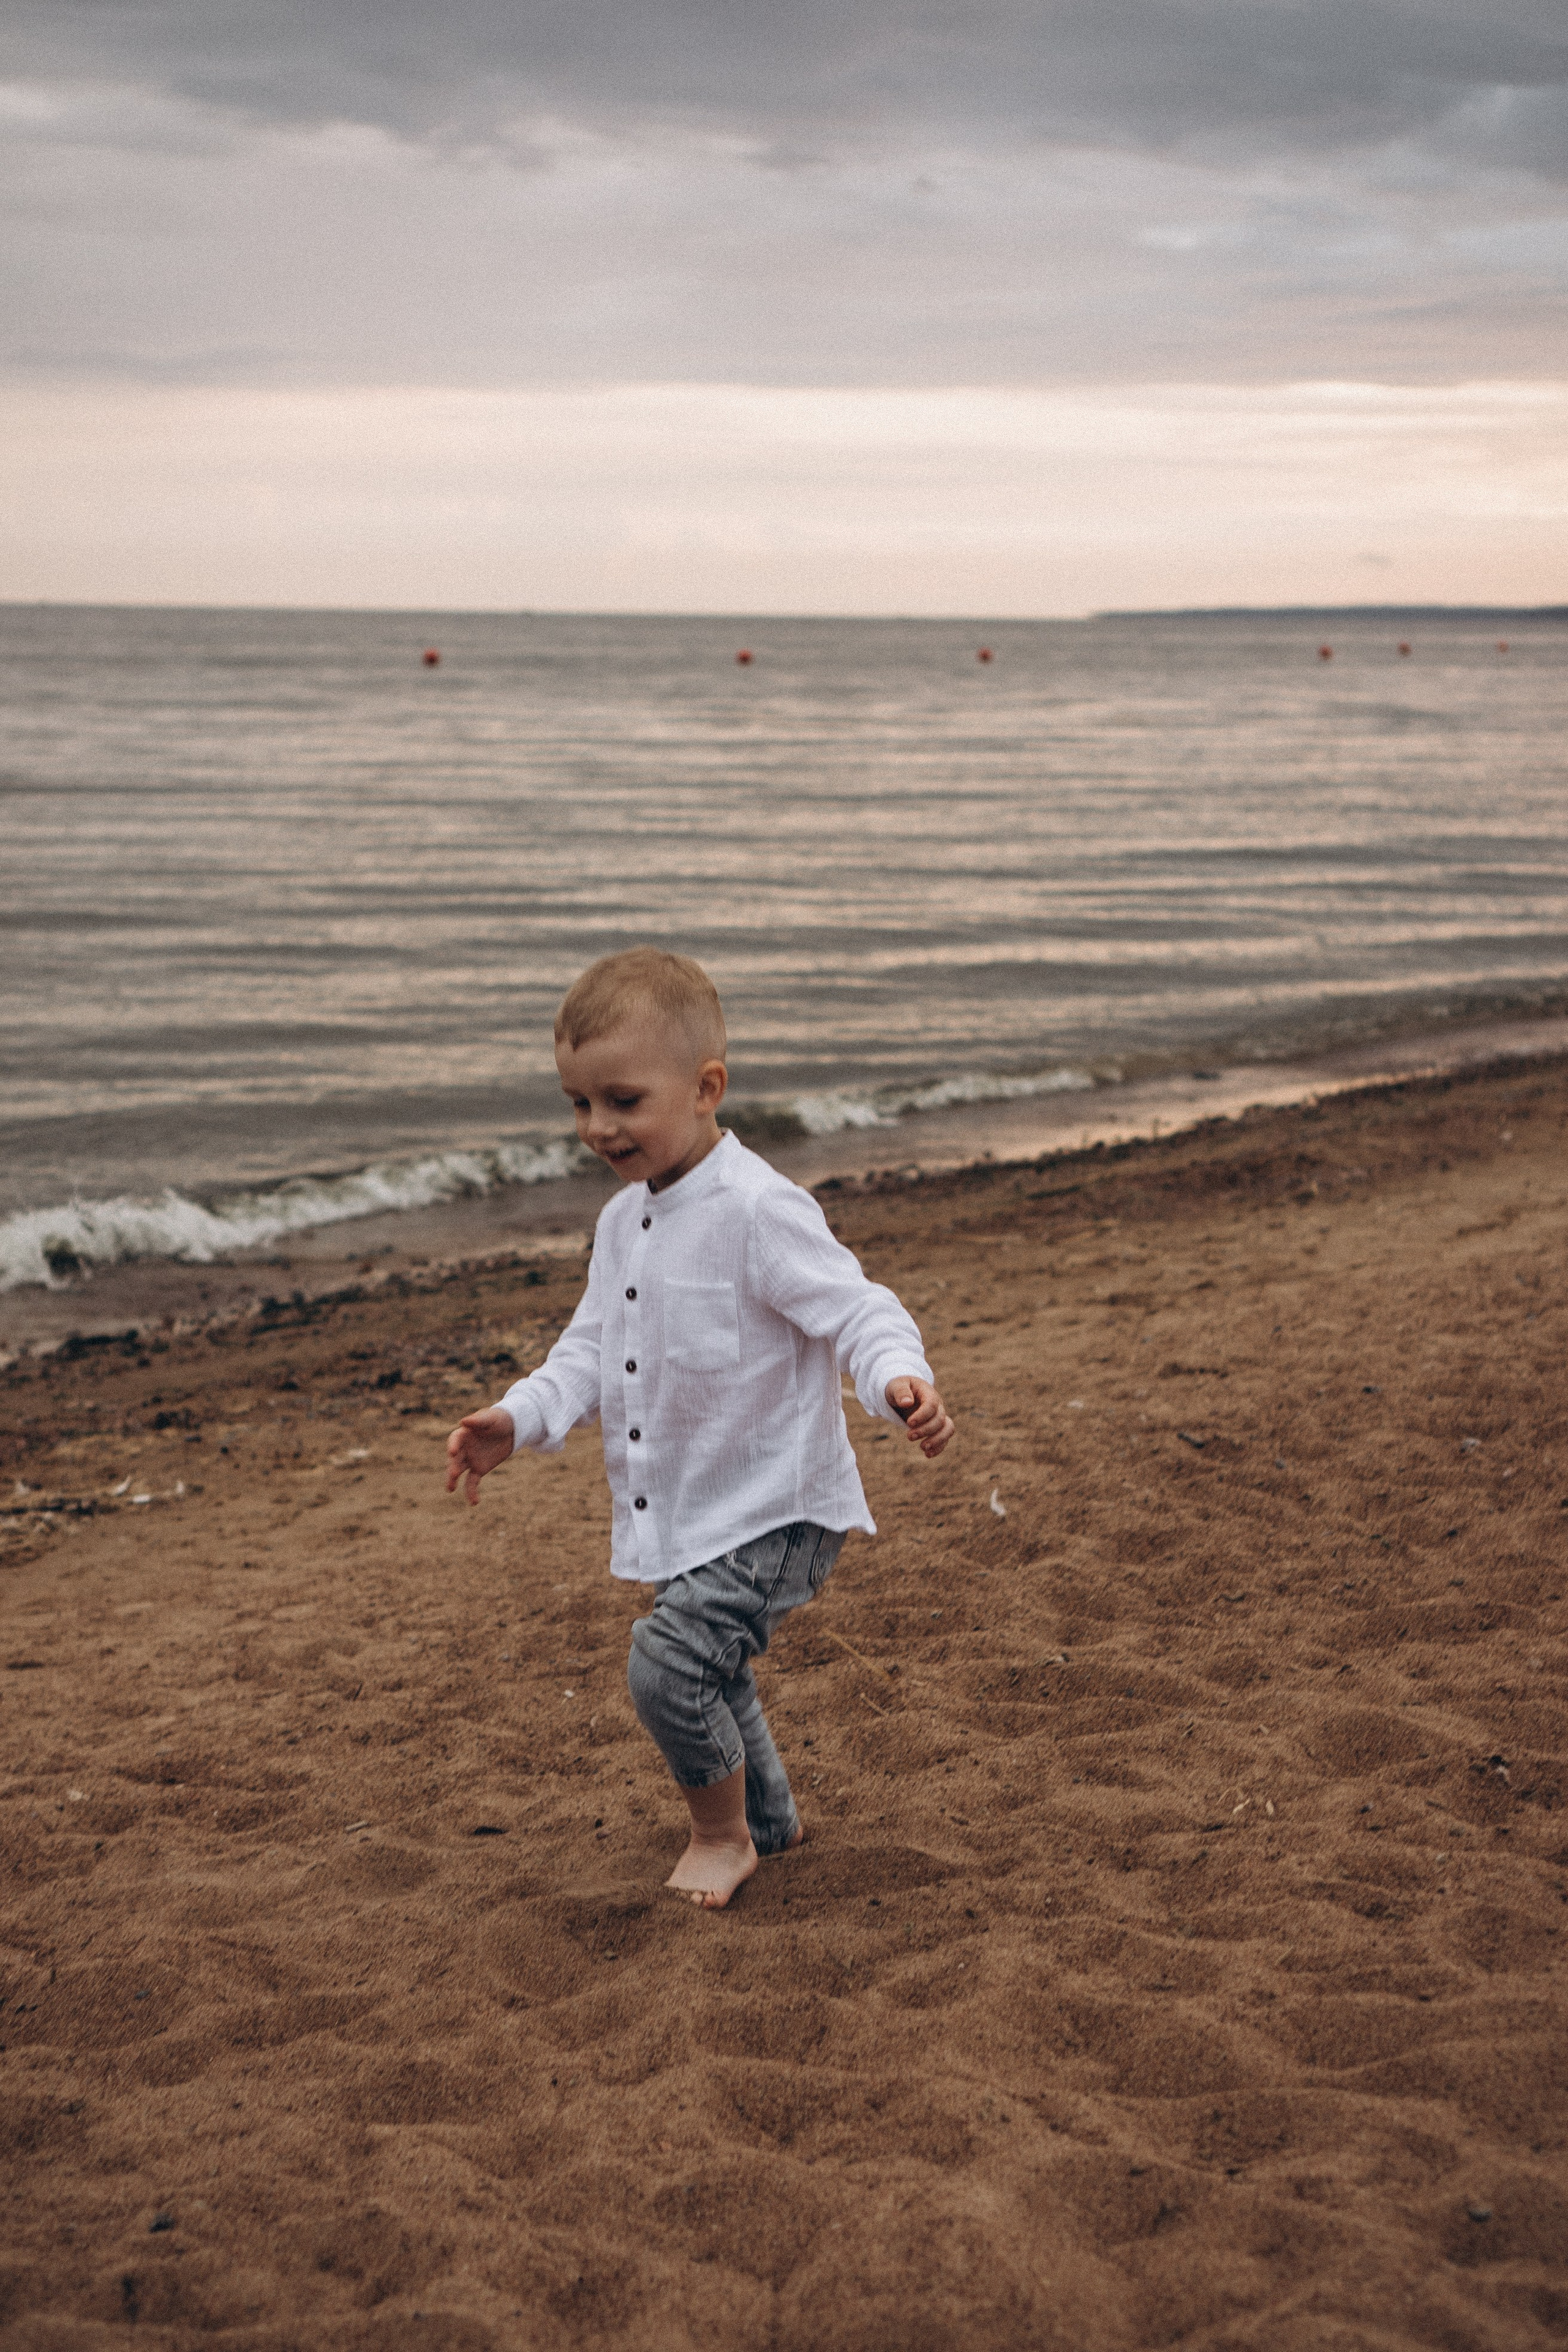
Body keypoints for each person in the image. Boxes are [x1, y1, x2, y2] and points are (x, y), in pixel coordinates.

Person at [445, 948, 954, 1908]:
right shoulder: (619, 1225)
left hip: (777, 1505)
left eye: (624, 1101)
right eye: (578, 1104)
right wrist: (520, 1417)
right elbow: (587, 1353)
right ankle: (768, 1819)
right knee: (711, 1662)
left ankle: (722, 1837)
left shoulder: (758, 1209)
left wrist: (899, 1381)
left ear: (706, 1087)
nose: (598, 1127)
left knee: (669, 1663)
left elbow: (858, 1309)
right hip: (693, 1509)